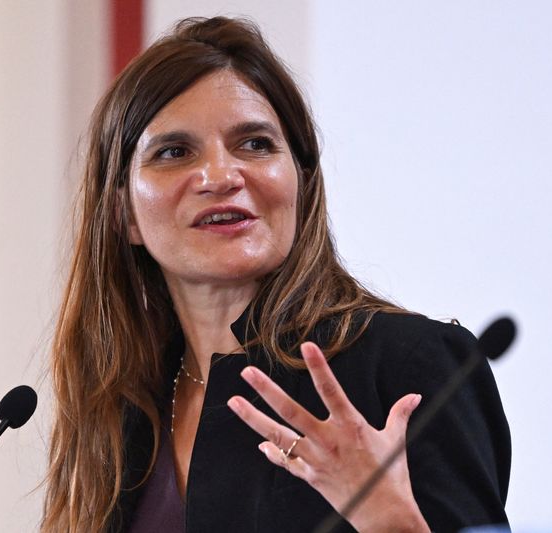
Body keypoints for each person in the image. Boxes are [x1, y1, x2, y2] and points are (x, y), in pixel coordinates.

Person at [41, 16, 510, 533]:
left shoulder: (405, 368)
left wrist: (391, 522)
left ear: (301, 184)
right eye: (174, 152)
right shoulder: (124, 405)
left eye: (255, 144)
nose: (220, 176)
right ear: (124, 214)